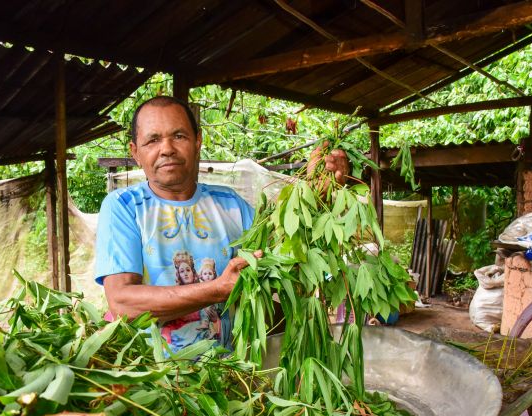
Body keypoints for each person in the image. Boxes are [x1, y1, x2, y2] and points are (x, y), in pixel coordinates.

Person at [94, 95, 348, 350]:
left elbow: (284, 256)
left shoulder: (232, 205)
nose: (167, 148)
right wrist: (218, 289)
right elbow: (124, 305)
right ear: (135, 152)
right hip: (154, 380)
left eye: (179, 136)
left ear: (198, 142)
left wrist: (317, 195)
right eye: (153, 140)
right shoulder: (124, 207)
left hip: (228, 376)